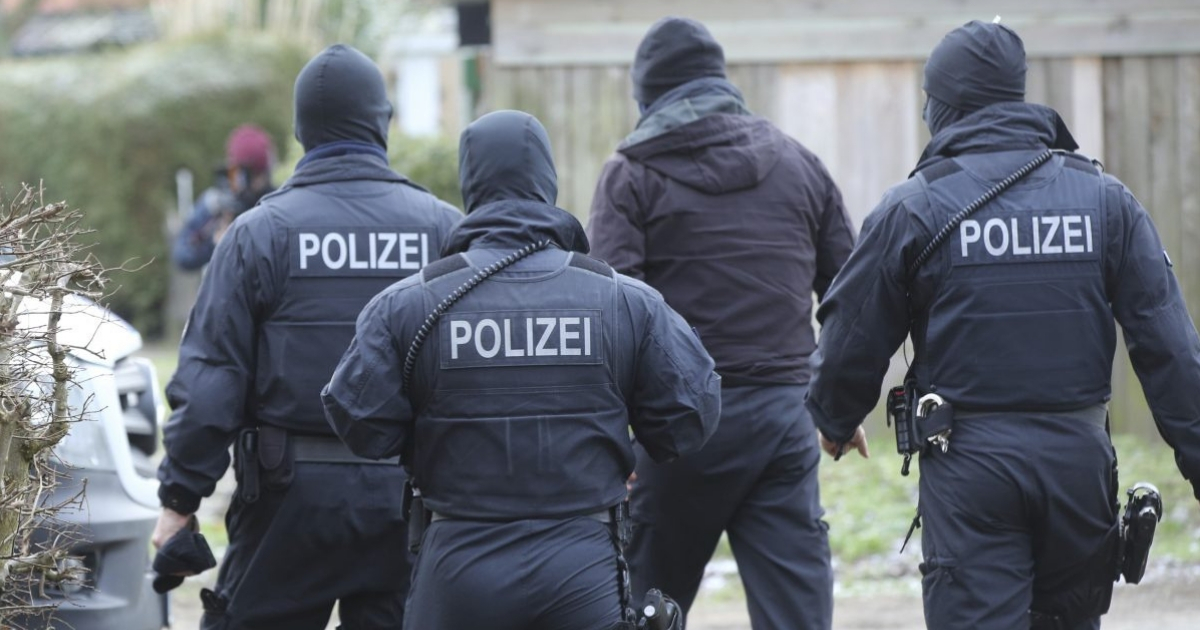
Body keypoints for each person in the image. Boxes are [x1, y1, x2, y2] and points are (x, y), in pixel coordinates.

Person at [806, 20, 1200, 630]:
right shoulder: (1104, 200)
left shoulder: (915, 206)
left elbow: (852, 332)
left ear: (943, 107)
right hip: (1078, 467)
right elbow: (1170, 349)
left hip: (971, 472)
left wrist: (833, 418)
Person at [321, 109, 722, 630]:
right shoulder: (625, 301)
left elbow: (360, 424)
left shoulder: (408, 304)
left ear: (470, 184)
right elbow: (691, 415)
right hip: (583, 569)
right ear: (547, 183)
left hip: (457, 567)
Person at [153, 44, 462, 630]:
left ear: (300, 132)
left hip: (286, 503)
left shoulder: (257, 235)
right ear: (382, 122)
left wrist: (179, 501)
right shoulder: (443, 230)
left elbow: (212, 379)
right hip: (410, 500)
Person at [586, 16, 854, 630]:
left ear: (647, 95)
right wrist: (839, 404)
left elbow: (612, 317)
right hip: (783, 426)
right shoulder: (799, 164)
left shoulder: (630, 176)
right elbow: (853, 293)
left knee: (639, 612)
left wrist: (610, 442)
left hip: (678, 435)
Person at [172, 124, 277, 271]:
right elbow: (183, 256)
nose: (252, 182)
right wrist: (215, 244)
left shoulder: (275, 203)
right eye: (244, 173)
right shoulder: (216, 202)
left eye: (256, 174)